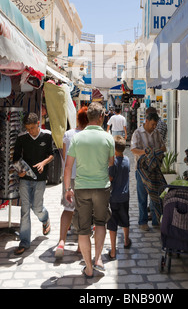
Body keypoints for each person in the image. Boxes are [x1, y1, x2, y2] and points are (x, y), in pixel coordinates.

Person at [64, 103, 115, 278]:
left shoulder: (77, 138)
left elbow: (68, 166)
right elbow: (111, 163)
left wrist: (67, 189)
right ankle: (98, 259)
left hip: (82, 188)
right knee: (100, 223)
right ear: (101, 117)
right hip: (101, 187)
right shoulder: (108, 138)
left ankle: (88, 267)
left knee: (83, 229)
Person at [13, 112, 54, 255]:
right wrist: (20, 171)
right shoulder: (22, 138)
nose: (30, 131)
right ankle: (24, 242)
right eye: (27, 128)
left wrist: (43, 163)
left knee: (37, 208)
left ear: (38, 124)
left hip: (41, 178)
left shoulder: (47, 135)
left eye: (32, 128)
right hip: (25, 179)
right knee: (25, 210)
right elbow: (16, 158)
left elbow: (51, 154)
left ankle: (45, 218)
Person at [54, 107, 88, 258]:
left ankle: (62, 241)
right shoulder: (90, 135)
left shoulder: (68, 134)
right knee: (83, 211)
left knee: (68, 209)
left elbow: (64, 156)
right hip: (85, 177)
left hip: (69, 176)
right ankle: (81, 246)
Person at [130, 111, 166, 230]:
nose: (154, 127)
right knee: (142, 196)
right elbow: (133, 149)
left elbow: (163, 147)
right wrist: (146, 152)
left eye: (155, 124)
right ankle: (142, 222)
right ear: (146, 121)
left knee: (155, 195)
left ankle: (156, 221)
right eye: (152, 124)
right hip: (141, 170)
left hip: (155, 170)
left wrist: (155, 152)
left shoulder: (157, 133)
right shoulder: (137, 133)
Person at [107, 135, 131, 259]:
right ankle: (126, 241)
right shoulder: (127, 160)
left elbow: (110, 178)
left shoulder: (113, 162)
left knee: (112, 223)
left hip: (113, 197)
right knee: (125, 219)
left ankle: (112, 250)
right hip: (125, 196)